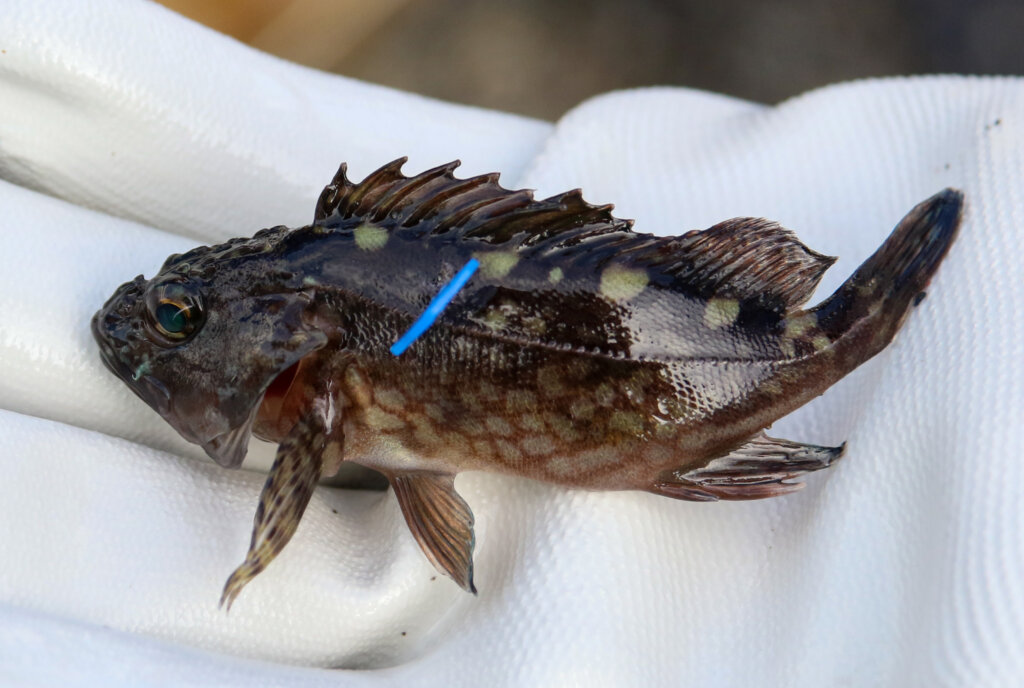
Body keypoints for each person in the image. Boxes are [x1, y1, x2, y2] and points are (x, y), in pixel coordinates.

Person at [1, 1, 1022, 685]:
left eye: (180, 319)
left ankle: (878, 317)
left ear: (287, 328)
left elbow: (326, 452)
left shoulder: (322, 363)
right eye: (172, 315)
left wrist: (256, 559)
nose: (153, 328)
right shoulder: (320, 325)